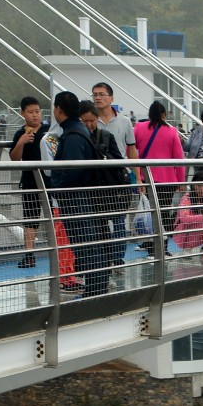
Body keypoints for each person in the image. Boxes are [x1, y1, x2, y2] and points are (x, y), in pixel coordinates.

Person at [47, 90, 106, 296]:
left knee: (86, 246)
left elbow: (72, 172)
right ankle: (97, 288)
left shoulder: (72, 136)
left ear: (59, 109)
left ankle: (96, 290)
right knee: (88, 245)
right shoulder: (78, 131)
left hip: (76, 199)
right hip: (82, 197)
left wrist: (56, 186)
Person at [79, 99, 127, 284]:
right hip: (88, 193)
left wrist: (100, 153)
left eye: (92, 121)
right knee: (92, 233)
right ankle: (93, 272)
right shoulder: (77, 138)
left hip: (106, 193)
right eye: (85, 121)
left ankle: (105, 271)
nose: (89, 125)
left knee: (104, 232)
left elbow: (118, 161)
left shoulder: (106, 137)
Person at [132, 100, 187, 249]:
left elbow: (130, 150)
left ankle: (150, 246)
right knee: (162, 214)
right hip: (167, 181)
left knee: (150, 213)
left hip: (146, 179)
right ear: (164, 115)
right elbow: (179, 159)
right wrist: (181, 182)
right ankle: (161, 247)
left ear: (150, 114)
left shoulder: (139, 128)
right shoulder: (171, 131)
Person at [8, 95, 47, 269]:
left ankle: (63, 252)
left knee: (56, 216)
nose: (35, 115)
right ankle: (29, 254)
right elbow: (15, 159)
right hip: (30, 181)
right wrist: (21, 142)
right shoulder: (20, 133)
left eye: (37, 111)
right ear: (22, 113)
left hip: (50, 180)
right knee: (30, 219)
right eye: (30, 112)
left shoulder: (48, 131)